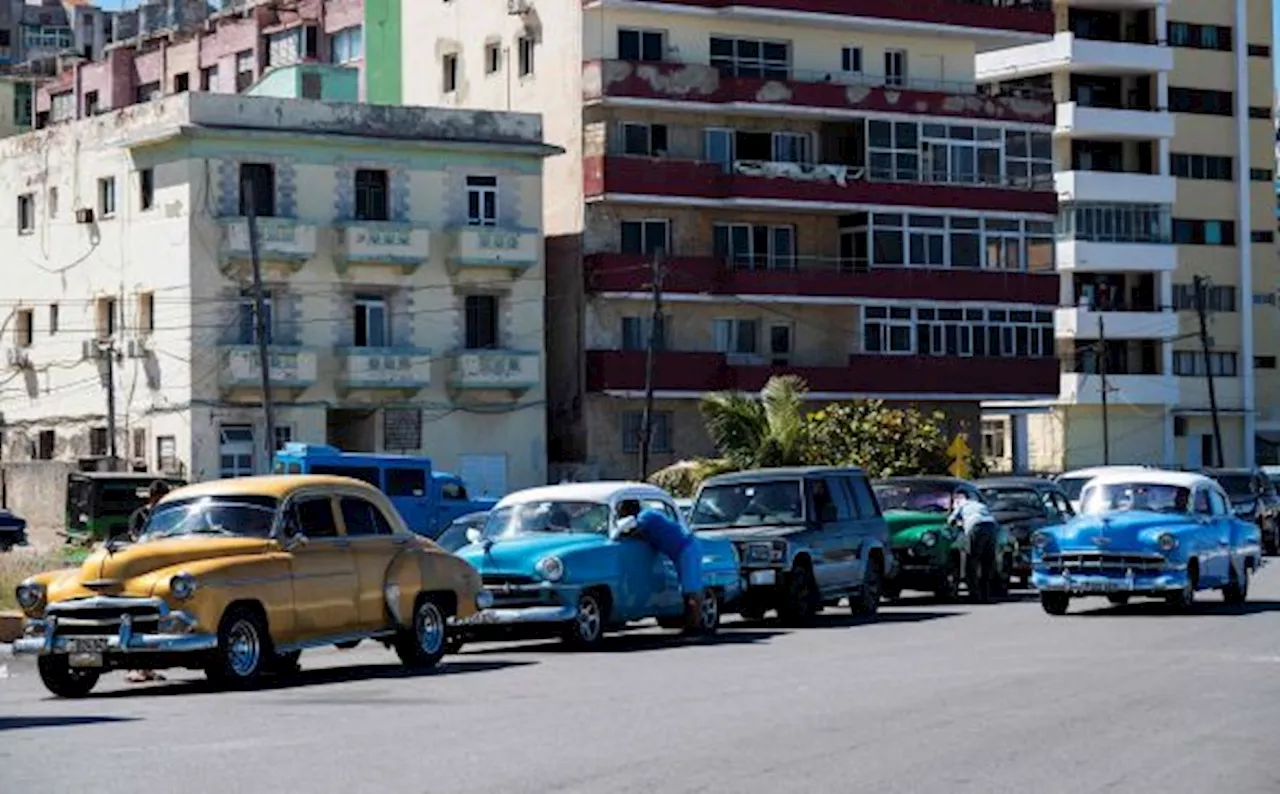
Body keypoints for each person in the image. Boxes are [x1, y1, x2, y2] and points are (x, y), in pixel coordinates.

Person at [616, 500, 703, 630]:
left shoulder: (645, 517)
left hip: (685, 548)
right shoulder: (649, 515)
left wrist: (621, 533)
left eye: (622, 513)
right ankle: (691, 622)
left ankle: (696, 624)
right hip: (683, 549)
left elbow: (636, 532)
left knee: (690, 588)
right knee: (686, 588)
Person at [125, 480, 171, 684]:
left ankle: (148, 668)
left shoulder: (168, 515)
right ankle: (136, 667)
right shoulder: (141, 516)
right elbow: (135, 538)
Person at [947, 491, 1001, 604]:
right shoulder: (979, 504)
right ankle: (986, 594)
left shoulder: (961, 504)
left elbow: (950, 520)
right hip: (991, 526)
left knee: (971, 560)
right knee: (987, 561)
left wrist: (956, 523)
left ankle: (974, 595)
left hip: (976, 527)